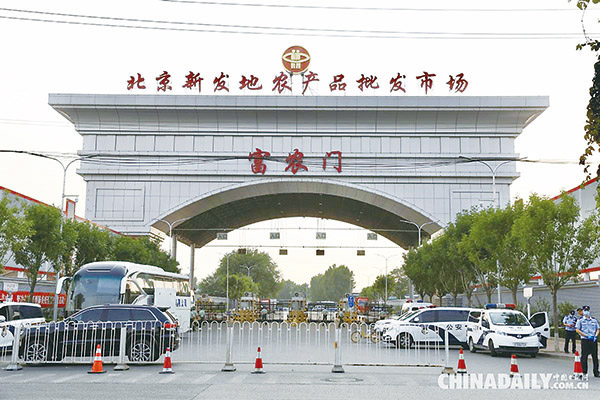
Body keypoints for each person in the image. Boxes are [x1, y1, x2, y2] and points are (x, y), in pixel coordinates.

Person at [575, 305, 600, 378]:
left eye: (587, 310)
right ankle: (584, 372)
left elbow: (598, 329)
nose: (586, 312)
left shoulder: (594, 320)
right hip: (585, 340)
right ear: (583, 311)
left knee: (595, 356)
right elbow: (577, 330)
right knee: (584, 356)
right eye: (585, 310)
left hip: (593, 340)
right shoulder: (580, 320)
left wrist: (596, 336)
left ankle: (596, 372)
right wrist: (586, 335)